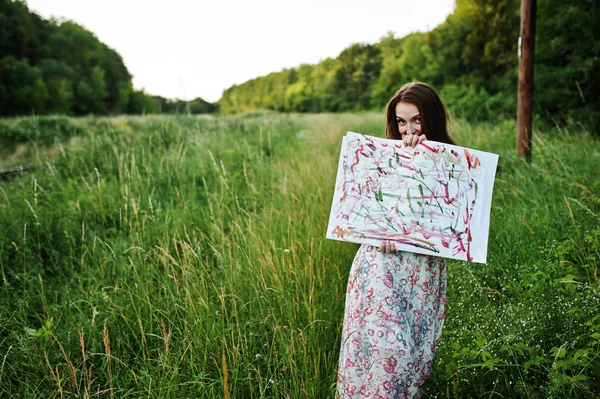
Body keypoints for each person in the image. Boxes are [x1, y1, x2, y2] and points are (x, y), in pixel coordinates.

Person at [336, 82, 454, 398]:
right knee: (384, 352)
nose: (408, 129)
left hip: (423, 272)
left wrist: (427, 158)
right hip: (380, 266)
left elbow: (452, 224)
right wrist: (379, 235)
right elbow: (366, 211)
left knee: (414, 356)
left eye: (416, 120)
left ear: (431, 118)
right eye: (402, 122)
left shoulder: (452, 162)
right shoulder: (384, 157)